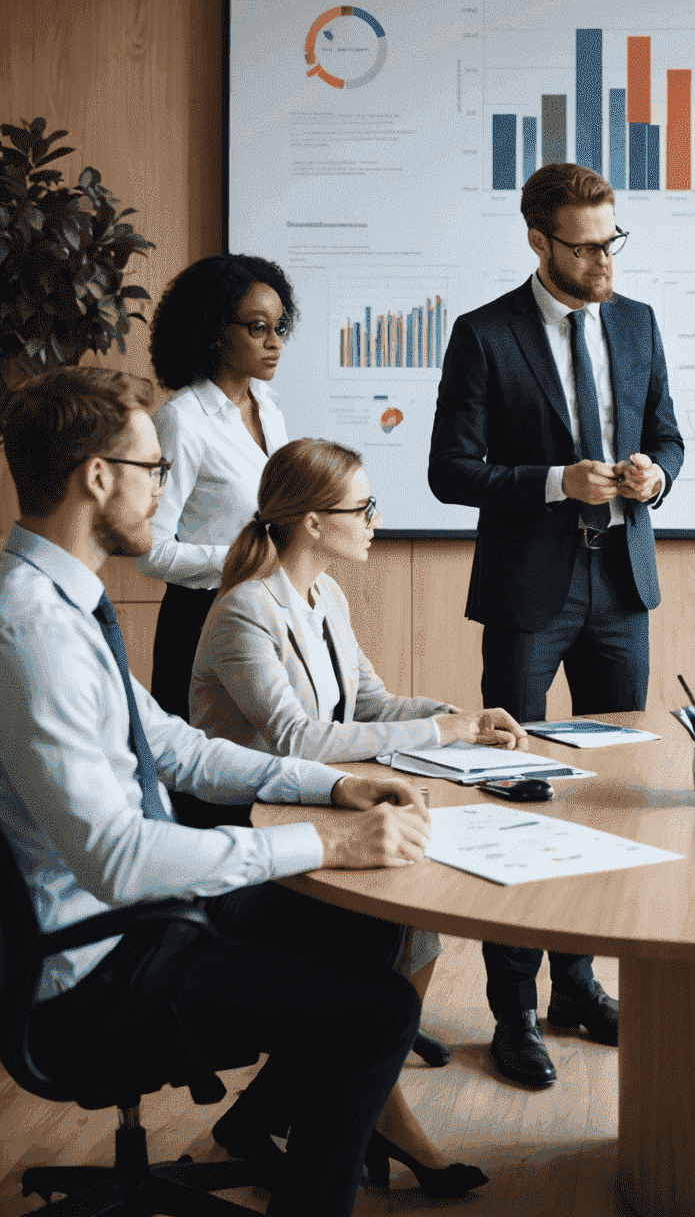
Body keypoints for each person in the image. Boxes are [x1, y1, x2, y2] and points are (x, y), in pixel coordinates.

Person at [0, 366, 432, 1217]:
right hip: (94, 971)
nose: (165, 490)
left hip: (125, 929)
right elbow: (119, 858)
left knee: (364, 925)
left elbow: (181, 752)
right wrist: (325, 843)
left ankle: (262, 1133)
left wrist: (335, 786)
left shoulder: (62, 606)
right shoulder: (33, 632)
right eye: (154, 470)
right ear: (97, 475)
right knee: (376, 1011)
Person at [191, 436, 528, 1195]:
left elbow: (369, 705)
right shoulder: (245, 611)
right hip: (252, 838)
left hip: (314, 819)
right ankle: (385, 1116)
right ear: (312, 521)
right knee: (391, 934)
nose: (375, 519)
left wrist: (460, 718)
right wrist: (435, 734)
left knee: (416, 930)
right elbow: (298, 739)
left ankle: (293, 1113)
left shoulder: (325, 597)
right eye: (363, 507)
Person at [428, 161, 684, 1090]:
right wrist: (551, 482)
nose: (605, 259)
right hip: (531, 592)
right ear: (540, 241)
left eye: (614, 239)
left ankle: (579, 984)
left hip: (622, 583)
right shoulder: (484, 335)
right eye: (586, 245)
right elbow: (450, 471)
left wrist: (655, 471)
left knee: (610, 789)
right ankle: (515, 1012)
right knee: (518, 789)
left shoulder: (640, 324)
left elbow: (670, 434)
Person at [137, 254, 296, 729]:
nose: (275, 343)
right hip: (198, 619)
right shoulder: (181, 421)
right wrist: (243, 556)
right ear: (213, 329)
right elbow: (151, 552)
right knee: (199, 781)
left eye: (279, 327)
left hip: (265, 610)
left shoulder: (269, 409)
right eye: (257, 328)